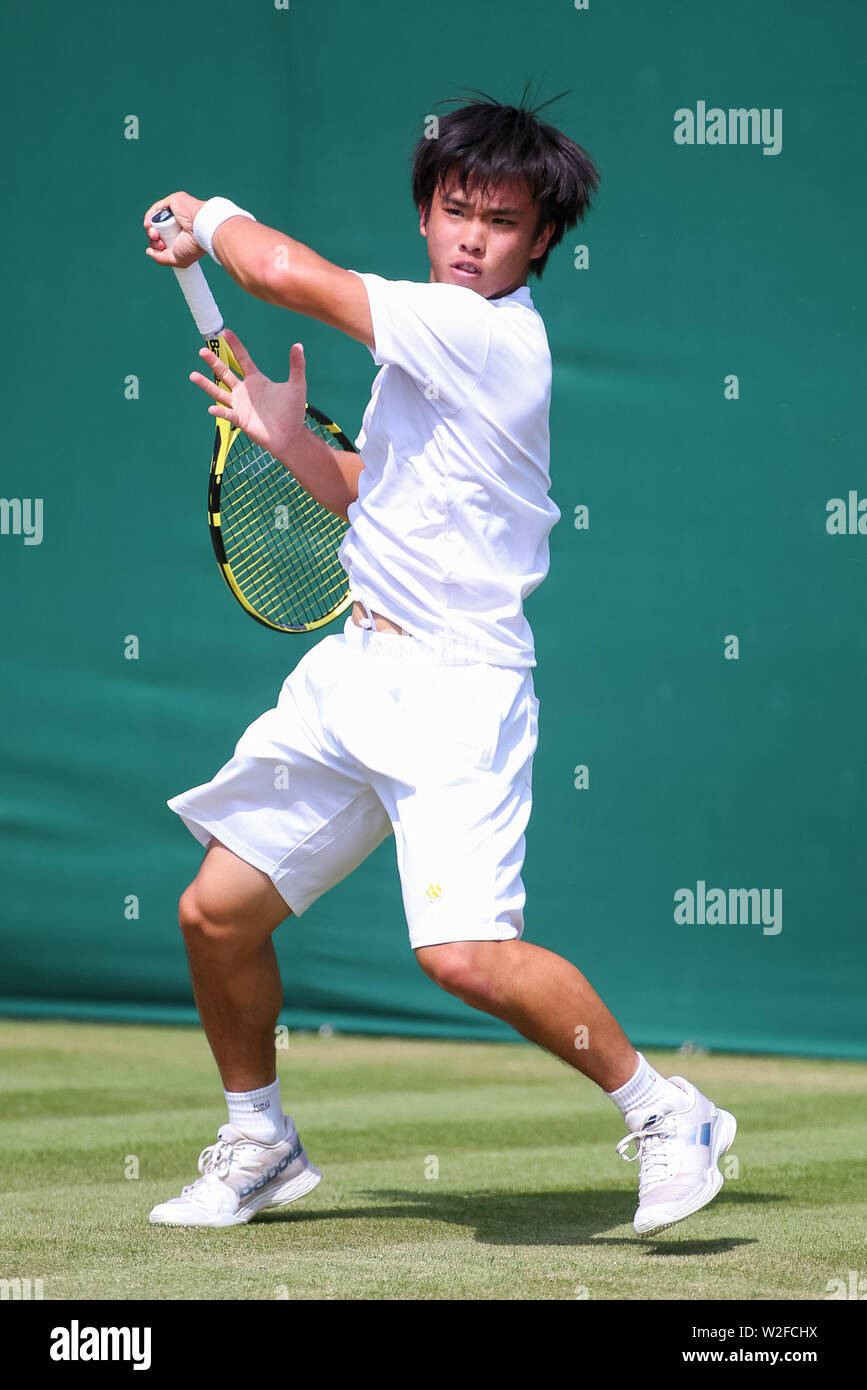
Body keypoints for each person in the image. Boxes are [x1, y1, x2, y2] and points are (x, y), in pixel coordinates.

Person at [142, 90, 736, 1234]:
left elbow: (278, 272)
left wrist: (203, 214)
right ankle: (260, 1138)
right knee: (216, 914)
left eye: (502, 222)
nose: (473, 236)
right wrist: (291, 440)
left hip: (460, 688)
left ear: (543, 240)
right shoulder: (430, 343)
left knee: (464, 954)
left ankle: (671, 1114)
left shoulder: (477, 332)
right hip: (357, 669)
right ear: (425, 213)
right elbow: (378, 499)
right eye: (455, 209)